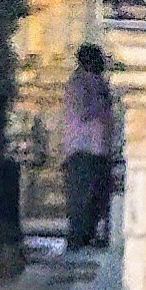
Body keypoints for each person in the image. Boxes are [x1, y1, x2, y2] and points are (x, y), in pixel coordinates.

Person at [61, 43, 117, 251]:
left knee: (97, 197)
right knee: (81, 198)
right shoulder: (78, 84)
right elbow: (84, 112)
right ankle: (77, 240)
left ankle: (88, 236)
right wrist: (103, 101)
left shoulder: (99, 82)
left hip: (100, 149)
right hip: (82, 149)